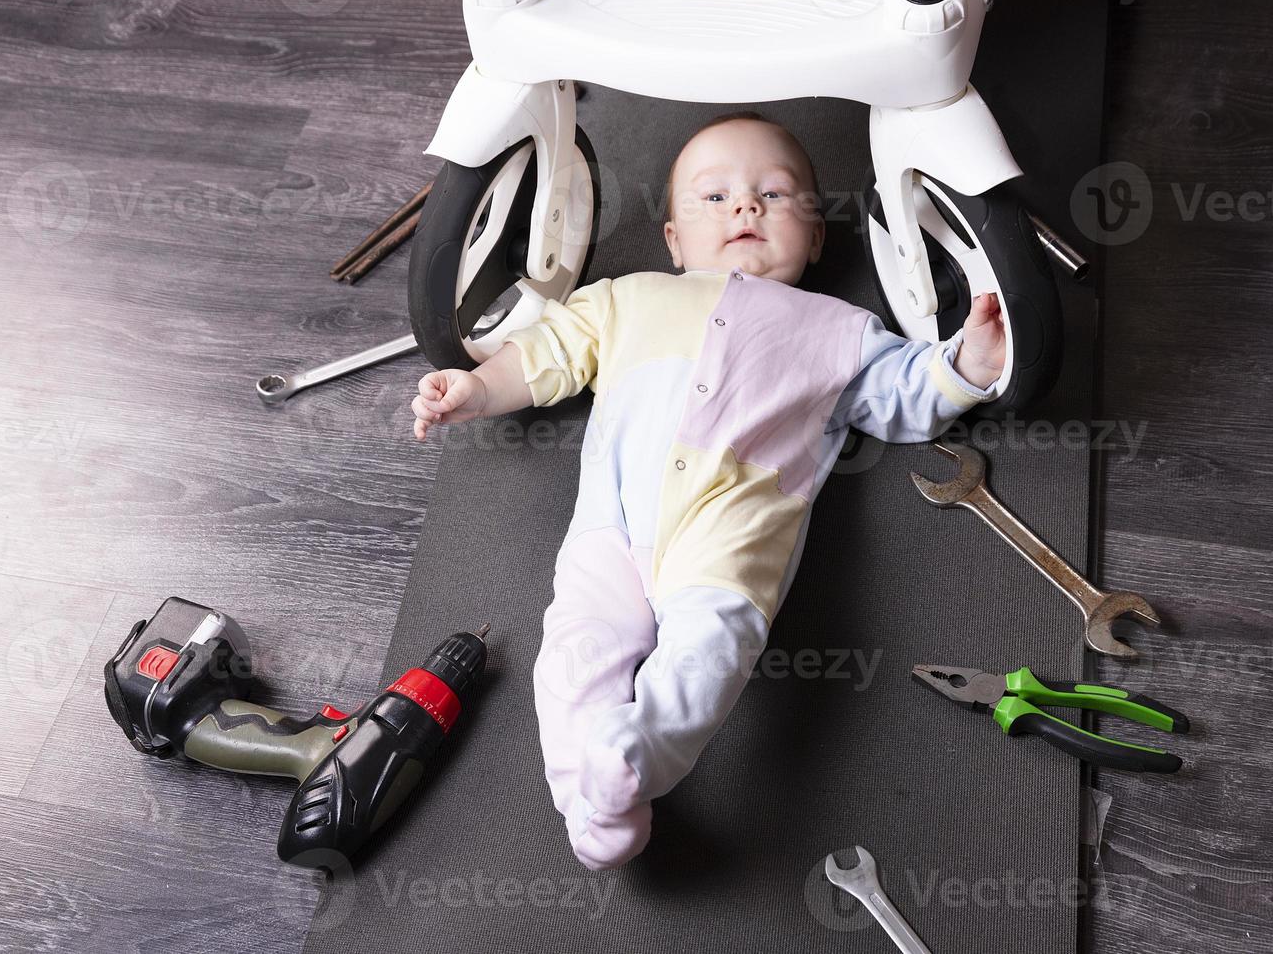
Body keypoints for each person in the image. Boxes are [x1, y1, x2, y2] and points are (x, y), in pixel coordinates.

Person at [411, 112, 1006, 870]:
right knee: (574, 651)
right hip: (611, 526)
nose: (745, 208)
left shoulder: (839, 329)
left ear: (818, 238)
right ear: (672, 240)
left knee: (708, 655)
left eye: (775, 195)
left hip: (732, 534)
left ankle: (635, 755)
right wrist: (475, 387)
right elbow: (547, 353)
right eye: (714, 197)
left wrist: (967, 364)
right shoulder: (626, 297)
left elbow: (902, 392)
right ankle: (586, 795)